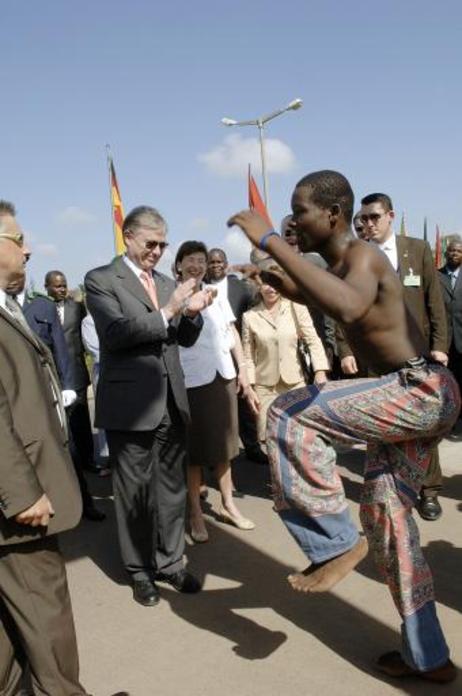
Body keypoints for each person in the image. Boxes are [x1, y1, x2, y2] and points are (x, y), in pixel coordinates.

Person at [228, 170, 459, 683]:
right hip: (412, 400)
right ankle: (429, 655)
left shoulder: (365, 255)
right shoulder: (340, 265)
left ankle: (333, 543)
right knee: (387, 521)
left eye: (299, 210)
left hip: (419, 391)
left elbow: (349, 305)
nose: (291, 220)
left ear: (332, 214)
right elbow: (328, 300)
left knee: (287, 410)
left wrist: (267, 238)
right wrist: (273, 275)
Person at [85, 206, 213, 606]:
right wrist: (173, 308)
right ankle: (140, 571)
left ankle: (171, 561)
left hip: (171, 402)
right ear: (128, 237)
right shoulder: (101, 279)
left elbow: (182, 339)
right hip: (130, 406)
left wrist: (193, 314)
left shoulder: (164, 281)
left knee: (172, 491)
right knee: (136, 493)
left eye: (163, 244)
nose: (158, 252)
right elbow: (117, 333)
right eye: (150, 244)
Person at [0, 201, 88, 695]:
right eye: (17, 238)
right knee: (49, 634)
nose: (27, 247)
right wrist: (22, 494)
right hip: (18, 509)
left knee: (11, 639)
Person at [339, 193, 448, 521]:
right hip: (376, 357)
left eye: (374, 217)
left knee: (426, 423)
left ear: (390, 215)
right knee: (382, 424)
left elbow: (434, 301)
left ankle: (428, 491)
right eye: (363, 219)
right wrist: (345, 350)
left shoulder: (417, 249)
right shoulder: (353, 258)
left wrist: (440, 344)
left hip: (419, 353)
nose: (367, 224)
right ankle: (387, 489)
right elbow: (341, 308)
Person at [176, 241, 259, 544]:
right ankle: (195, 513)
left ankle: (228, 505)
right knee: (196, 452)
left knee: (226, 447)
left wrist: (244, 375)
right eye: (190, 260)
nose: (197, 265)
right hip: (193, 381)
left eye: (201, 260)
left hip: (224, 376)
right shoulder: (173, 296)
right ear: (179, 265)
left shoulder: (217, 293)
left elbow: (232, 334)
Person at [241, 279, 329, 447]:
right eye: (265, 283)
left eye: (275, 283)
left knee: (300, 438)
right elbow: (248, 356)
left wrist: (320, 371)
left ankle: (299, 473)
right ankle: (278, 473)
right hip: (264, 388)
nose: (270, 288)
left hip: (295, 383)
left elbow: (312, 339)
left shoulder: (296, 307)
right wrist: (250, 387)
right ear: (257, 286)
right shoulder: (249, 316)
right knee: (270, 440)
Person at [207, 247, 266, 465]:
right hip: (210, 356)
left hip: (239, 352)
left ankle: (252, 447)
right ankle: (216, 453)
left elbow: (256, 309)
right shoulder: (200, 287)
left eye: (219, 262)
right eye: (211, 262)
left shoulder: (240, 288)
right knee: (215, 407)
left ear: (225, 263)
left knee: (244, 405)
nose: (215, 265)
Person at [45, 270, 106, 477]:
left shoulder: (77, 308)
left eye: (64, 285)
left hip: (76, 372)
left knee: (81, 419)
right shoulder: (43, 310)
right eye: (57, 286)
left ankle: (88, 460)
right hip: (53, 374)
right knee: (60, 421)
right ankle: (68, 464)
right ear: (47, 287)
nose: (62, 289)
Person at [439, 237, 462, 421]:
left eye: (459, 251)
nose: (455, 254)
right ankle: (449, 419)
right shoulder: (437, 275)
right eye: (452, 250)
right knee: (447, 381)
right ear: (446, 253)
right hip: (444, 339)